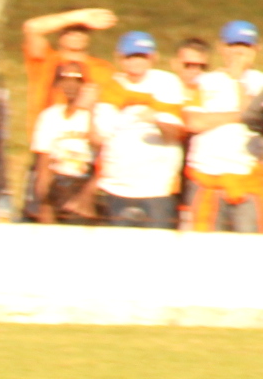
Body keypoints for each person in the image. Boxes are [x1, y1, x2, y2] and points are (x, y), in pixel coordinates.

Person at [92, 30, 187, 227]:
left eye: (142, 56)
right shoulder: (110, 87)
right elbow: (99, 137)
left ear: (154, 57)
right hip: (115, 186)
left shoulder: (167, 83)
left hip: (157, 189)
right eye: (130, 56)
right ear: (120, 58)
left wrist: (156, 119)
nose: (136, 62)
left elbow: (175, 134)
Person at [183, 19, 263, 233]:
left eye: (245, 46)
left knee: (251, 248)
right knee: (202, 247)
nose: (239, 52)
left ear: (256, 49)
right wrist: (240, 115)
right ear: (222, 48)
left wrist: (238, 81)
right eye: (233, 45)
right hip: (207, 178)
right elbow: (194, 122)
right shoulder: (204, 82)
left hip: (248, 182)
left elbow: (255, 118)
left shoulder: (260, 82)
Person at [29, 62, 99, 224]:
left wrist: (91, 109)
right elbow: (43, 163)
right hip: (57, 182)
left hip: (85, 181)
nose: (71, 85)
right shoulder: (49, 116)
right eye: (65, 79)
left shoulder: (95, 115)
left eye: (77, 80)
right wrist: (45, 204)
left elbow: (101, 149)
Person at [22, 6, 115, 115]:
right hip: (46, 130)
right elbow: (31, 28)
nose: (77, 35)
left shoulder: (103, 69)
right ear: (60, 33)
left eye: (82, 31)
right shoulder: (45, 60)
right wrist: (79, 17)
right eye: (70, 31)